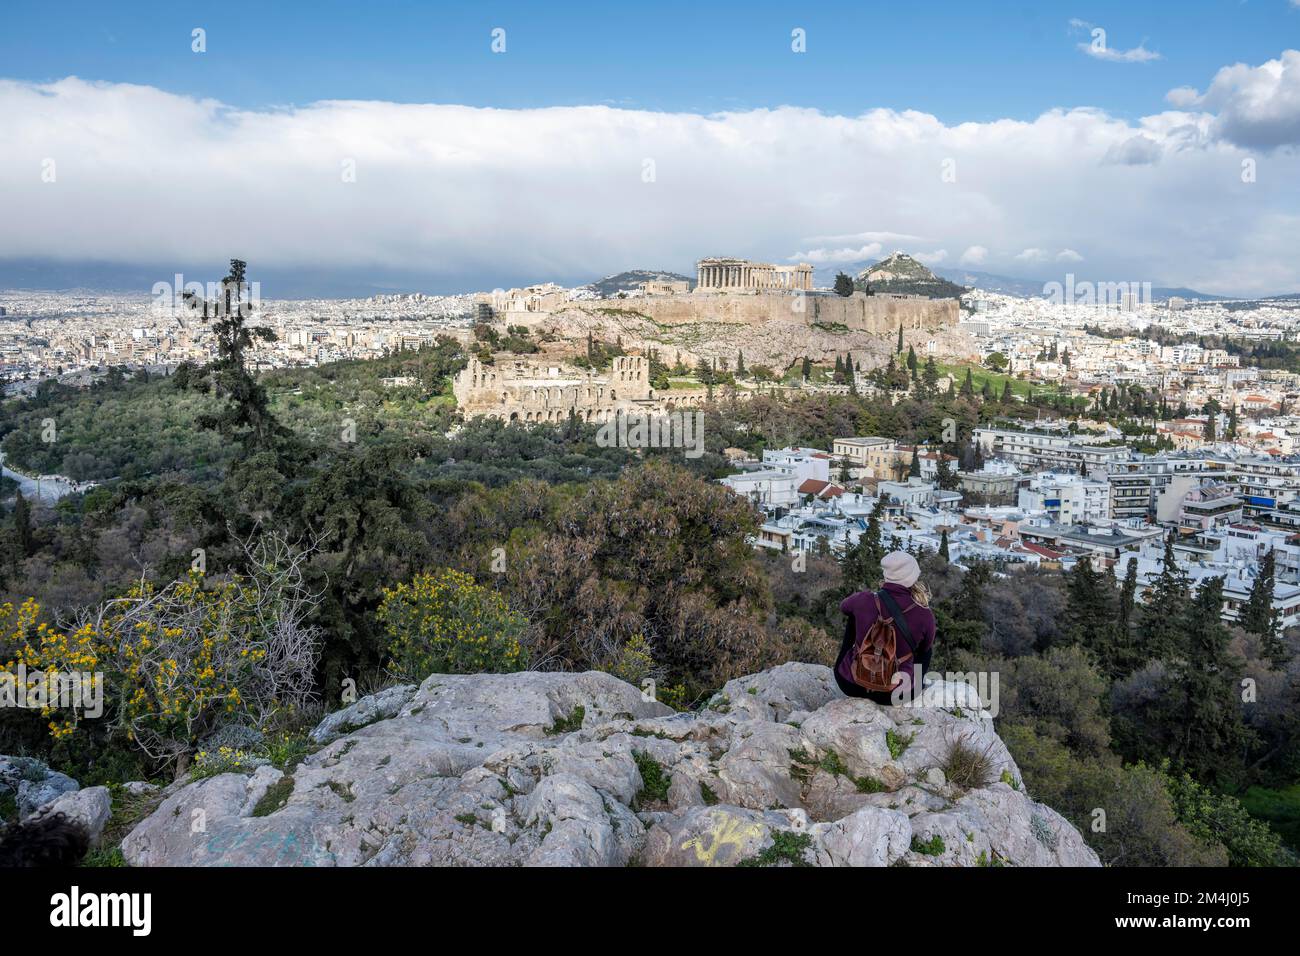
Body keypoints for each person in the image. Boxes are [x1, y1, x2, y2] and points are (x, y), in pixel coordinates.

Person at [835, 551, 936, 705]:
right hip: (897, 694)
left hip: (851, 684)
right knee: (926, 650)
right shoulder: (924, 614)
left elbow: (843, 607)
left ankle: (850, 665)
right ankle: (910, 679)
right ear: (912, 577)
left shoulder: (863, 599)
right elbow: (925, 648)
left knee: (853, 617)